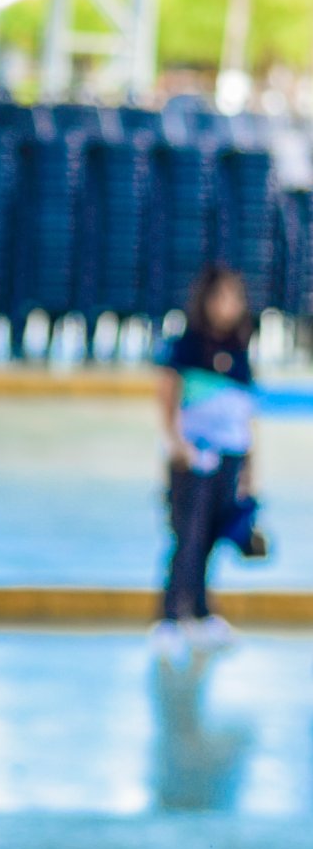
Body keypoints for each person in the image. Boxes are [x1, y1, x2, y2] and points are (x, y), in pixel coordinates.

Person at [153, 263, 260, 663]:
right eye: (221, 296)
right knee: (188, 536)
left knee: (212, 537)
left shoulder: (240, 348)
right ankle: (169, 618)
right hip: (193, 456)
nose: (228, 305)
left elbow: (247, 413)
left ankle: (199, 613)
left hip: (230, 455)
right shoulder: (187, 345)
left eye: (234, 297)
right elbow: (167, 394)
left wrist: (249, 469)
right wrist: (177, 443)